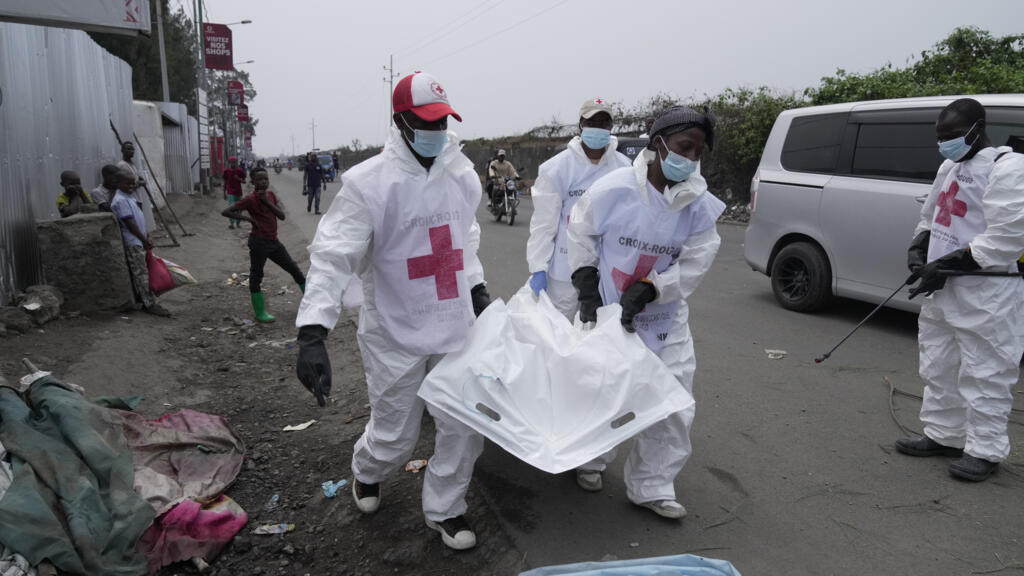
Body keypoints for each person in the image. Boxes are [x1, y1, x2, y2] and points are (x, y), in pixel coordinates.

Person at [295, 71, 491, 551]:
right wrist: (312, 331)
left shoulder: (462, 176)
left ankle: (446, 507)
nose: (437, 131)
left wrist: (477, 287)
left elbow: (462, 239)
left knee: (465, 426)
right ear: (400, 121)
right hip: (393, 330)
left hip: (453, 325)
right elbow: (335, 254)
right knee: (395, 438)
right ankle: (367, 471)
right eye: (426, 121)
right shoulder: (368, 183)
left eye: (443, 121)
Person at [567, 105, 725, 518]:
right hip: (608, 307)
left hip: (664, 317)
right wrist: (585, 282)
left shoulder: (698, 205)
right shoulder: (613, 189)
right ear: (658, 144)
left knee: (673, 400)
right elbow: (580, 231)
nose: (689, 159)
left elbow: (696, 261)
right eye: (682, 148)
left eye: (697, 152)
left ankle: (653, 484)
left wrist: (655, 289)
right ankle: (591, 459)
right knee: (602, 389)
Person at [895, 98, 1024, 482]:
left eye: (951, 136)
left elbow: (1006, 237)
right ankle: (943, 433)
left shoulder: (1009, 168)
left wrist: (949, 264)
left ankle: (984, 450)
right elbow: (933, 213)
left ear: (977, 128)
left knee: (986, 369)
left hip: (987, 292)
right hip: (944, 287)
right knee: (939, 362)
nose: (945, 143)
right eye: (940, 137)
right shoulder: (950, 165)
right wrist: (919, 245)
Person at [526, 97, 632, 317]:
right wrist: (538, 267)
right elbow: (544, 224)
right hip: (564, 273)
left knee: (600, 337)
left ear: (611, 127)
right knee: (559, 336)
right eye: (592, 122)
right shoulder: (557, 168)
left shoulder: (625, 168)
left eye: (604, 123)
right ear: (581, 125)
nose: (598, 128)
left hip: (607, 271)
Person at [222, 166, 306, 323]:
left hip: (274, 242)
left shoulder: (270, 195)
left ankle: (312, 304)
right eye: (260, 179)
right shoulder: (249, 199)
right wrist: (248, 219)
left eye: (266, 179)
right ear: (253, 182)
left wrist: (266, 202)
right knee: (256, 277)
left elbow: (281, 216)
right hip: (258, 243)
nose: (264, 181)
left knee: (294, 269)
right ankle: (260, 313)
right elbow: (226, 211)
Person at [110, 168, 170, 317]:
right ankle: (149, 304)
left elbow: (138, 220)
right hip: (133, 242)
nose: (131, 187)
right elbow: (130, 223)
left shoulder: (128, 197)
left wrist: (146, 237)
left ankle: (142, 298)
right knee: (141, 273)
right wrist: (144, 240)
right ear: (117, 183)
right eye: (127, 184)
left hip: (139, 240)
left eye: (133, 184)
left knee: (142, 271)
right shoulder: (120, 200)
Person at [223, 156, 247, 229]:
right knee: (231, 207)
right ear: (229, 163)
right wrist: (224, 193)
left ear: (237, 163)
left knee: (239, 208)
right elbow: (225, 182)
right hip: (230, 192)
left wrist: (239, 179)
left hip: (238, 192)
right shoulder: (226, 171)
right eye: (231, 162)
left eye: (235, 162)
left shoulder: (239, 171)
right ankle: (232, 223)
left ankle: (238, 223)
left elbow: (244, 181)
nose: (233, 164)